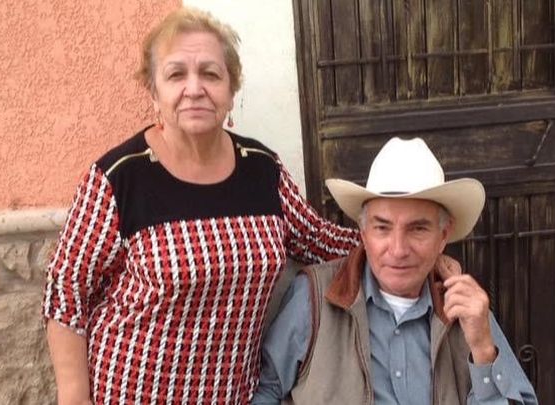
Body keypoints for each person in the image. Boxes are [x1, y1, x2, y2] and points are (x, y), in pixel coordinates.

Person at [42, 7, 359, 405]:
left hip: (233, 395)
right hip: (131, 393)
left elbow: (318, 240)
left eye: (210, 74)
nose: (194, 88)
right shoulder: (120, 177)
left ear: (231, 90)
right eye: (176, 75)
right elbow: (66, 289)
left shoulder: (263, 170)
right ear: (154, 93)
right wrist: (74, 396)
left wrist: (404, 244)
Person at [253, 137, 538, 404]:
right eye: (382, 227)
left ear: (443, 236)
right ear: (363, 232)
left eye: (418, 229)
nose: (398, 249)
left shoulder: (466, 310)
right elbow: (267, 390)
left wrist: (484, 353)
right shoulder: (313, 297)